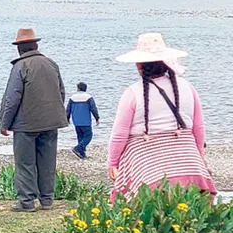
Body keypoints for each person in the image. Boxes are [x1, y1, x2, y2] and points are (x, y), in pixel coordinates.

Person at [108, 34, 215, 200]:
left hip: (148, 164)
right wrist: (199, 155)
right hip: (189, 160)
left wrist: (113, 163)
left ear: (139, 65)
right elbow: (198, 126)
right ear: (166, 61)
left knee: (141, 208)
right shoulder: (188, 87)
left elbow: (119, 133)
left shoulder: (132, 93)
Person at [0, 29, 68, 213]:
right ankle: (47, 200)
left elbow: (12, 98)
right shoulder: (51, 64)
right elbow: (61, 92)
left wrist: (4, 122)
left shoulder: (20, 66)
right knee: (47, 162)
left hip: (26, 124)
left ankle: (26, 202)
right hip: (51, 122)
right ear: (36, 46)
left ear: (19, 49)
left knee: (25, 163)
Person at [67, 82, 100, 159]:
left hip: (76, 120)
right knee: (88, 136)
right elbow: (93, 108)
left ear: (78, 88)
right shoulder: (88, 97)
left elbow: (68, 109)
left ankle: (81, 154)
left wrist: (67, 118)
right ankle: (78, 148)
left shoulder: (72, 98)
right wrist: (97, 118)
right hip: (85, 120)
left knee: (80, 136)